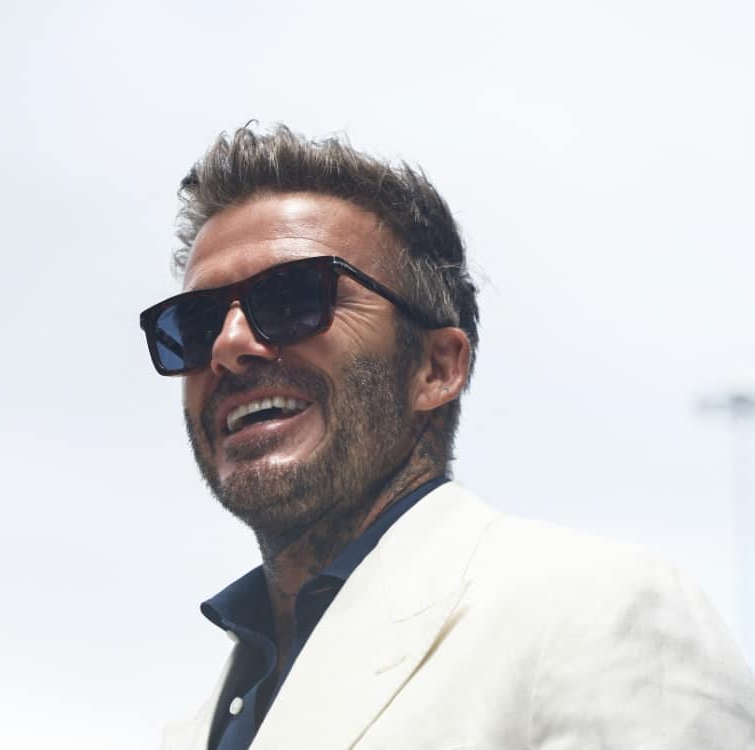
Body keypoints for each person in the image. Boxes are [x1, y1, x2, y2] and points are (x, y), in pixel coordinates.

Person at [140, 124, 755, 749]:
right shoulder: (189, 729)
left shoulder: (599, 610)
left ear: (435, 368)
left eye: (295, 298)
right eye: (195, 323)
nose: (228, 345)